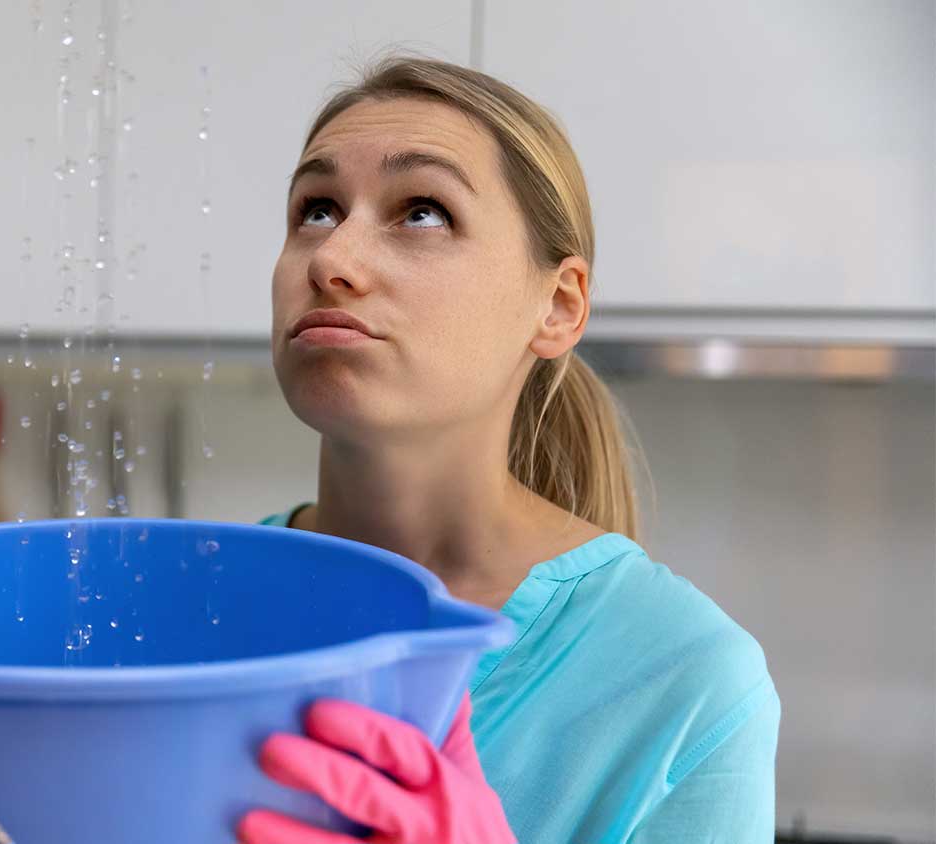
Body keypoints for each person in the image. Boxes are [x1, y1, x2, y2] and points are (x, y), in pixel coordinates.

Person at [237, 55, 779, 843]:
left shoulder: (686, 681)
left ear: (558, 308)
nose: (330, 260)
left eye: (422, 211)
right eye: (316, 210)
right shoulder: (195, 605)